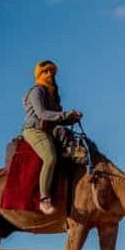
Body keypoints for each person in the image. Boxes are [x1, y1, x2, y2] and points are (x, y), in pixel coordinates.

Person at [22, 60, 82, 215]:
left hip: (50, 130)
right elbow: (42, 114)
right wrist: (66, 114)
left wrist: (72, 118)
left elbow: (57, 118)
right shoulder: (37, 91)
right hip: (35, 130)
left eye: (52, 72)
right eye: (46, 71)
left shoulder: (52, 95)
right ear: (39, 74)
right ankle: (44, 199)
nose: (49, 74)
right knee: (50, 158)